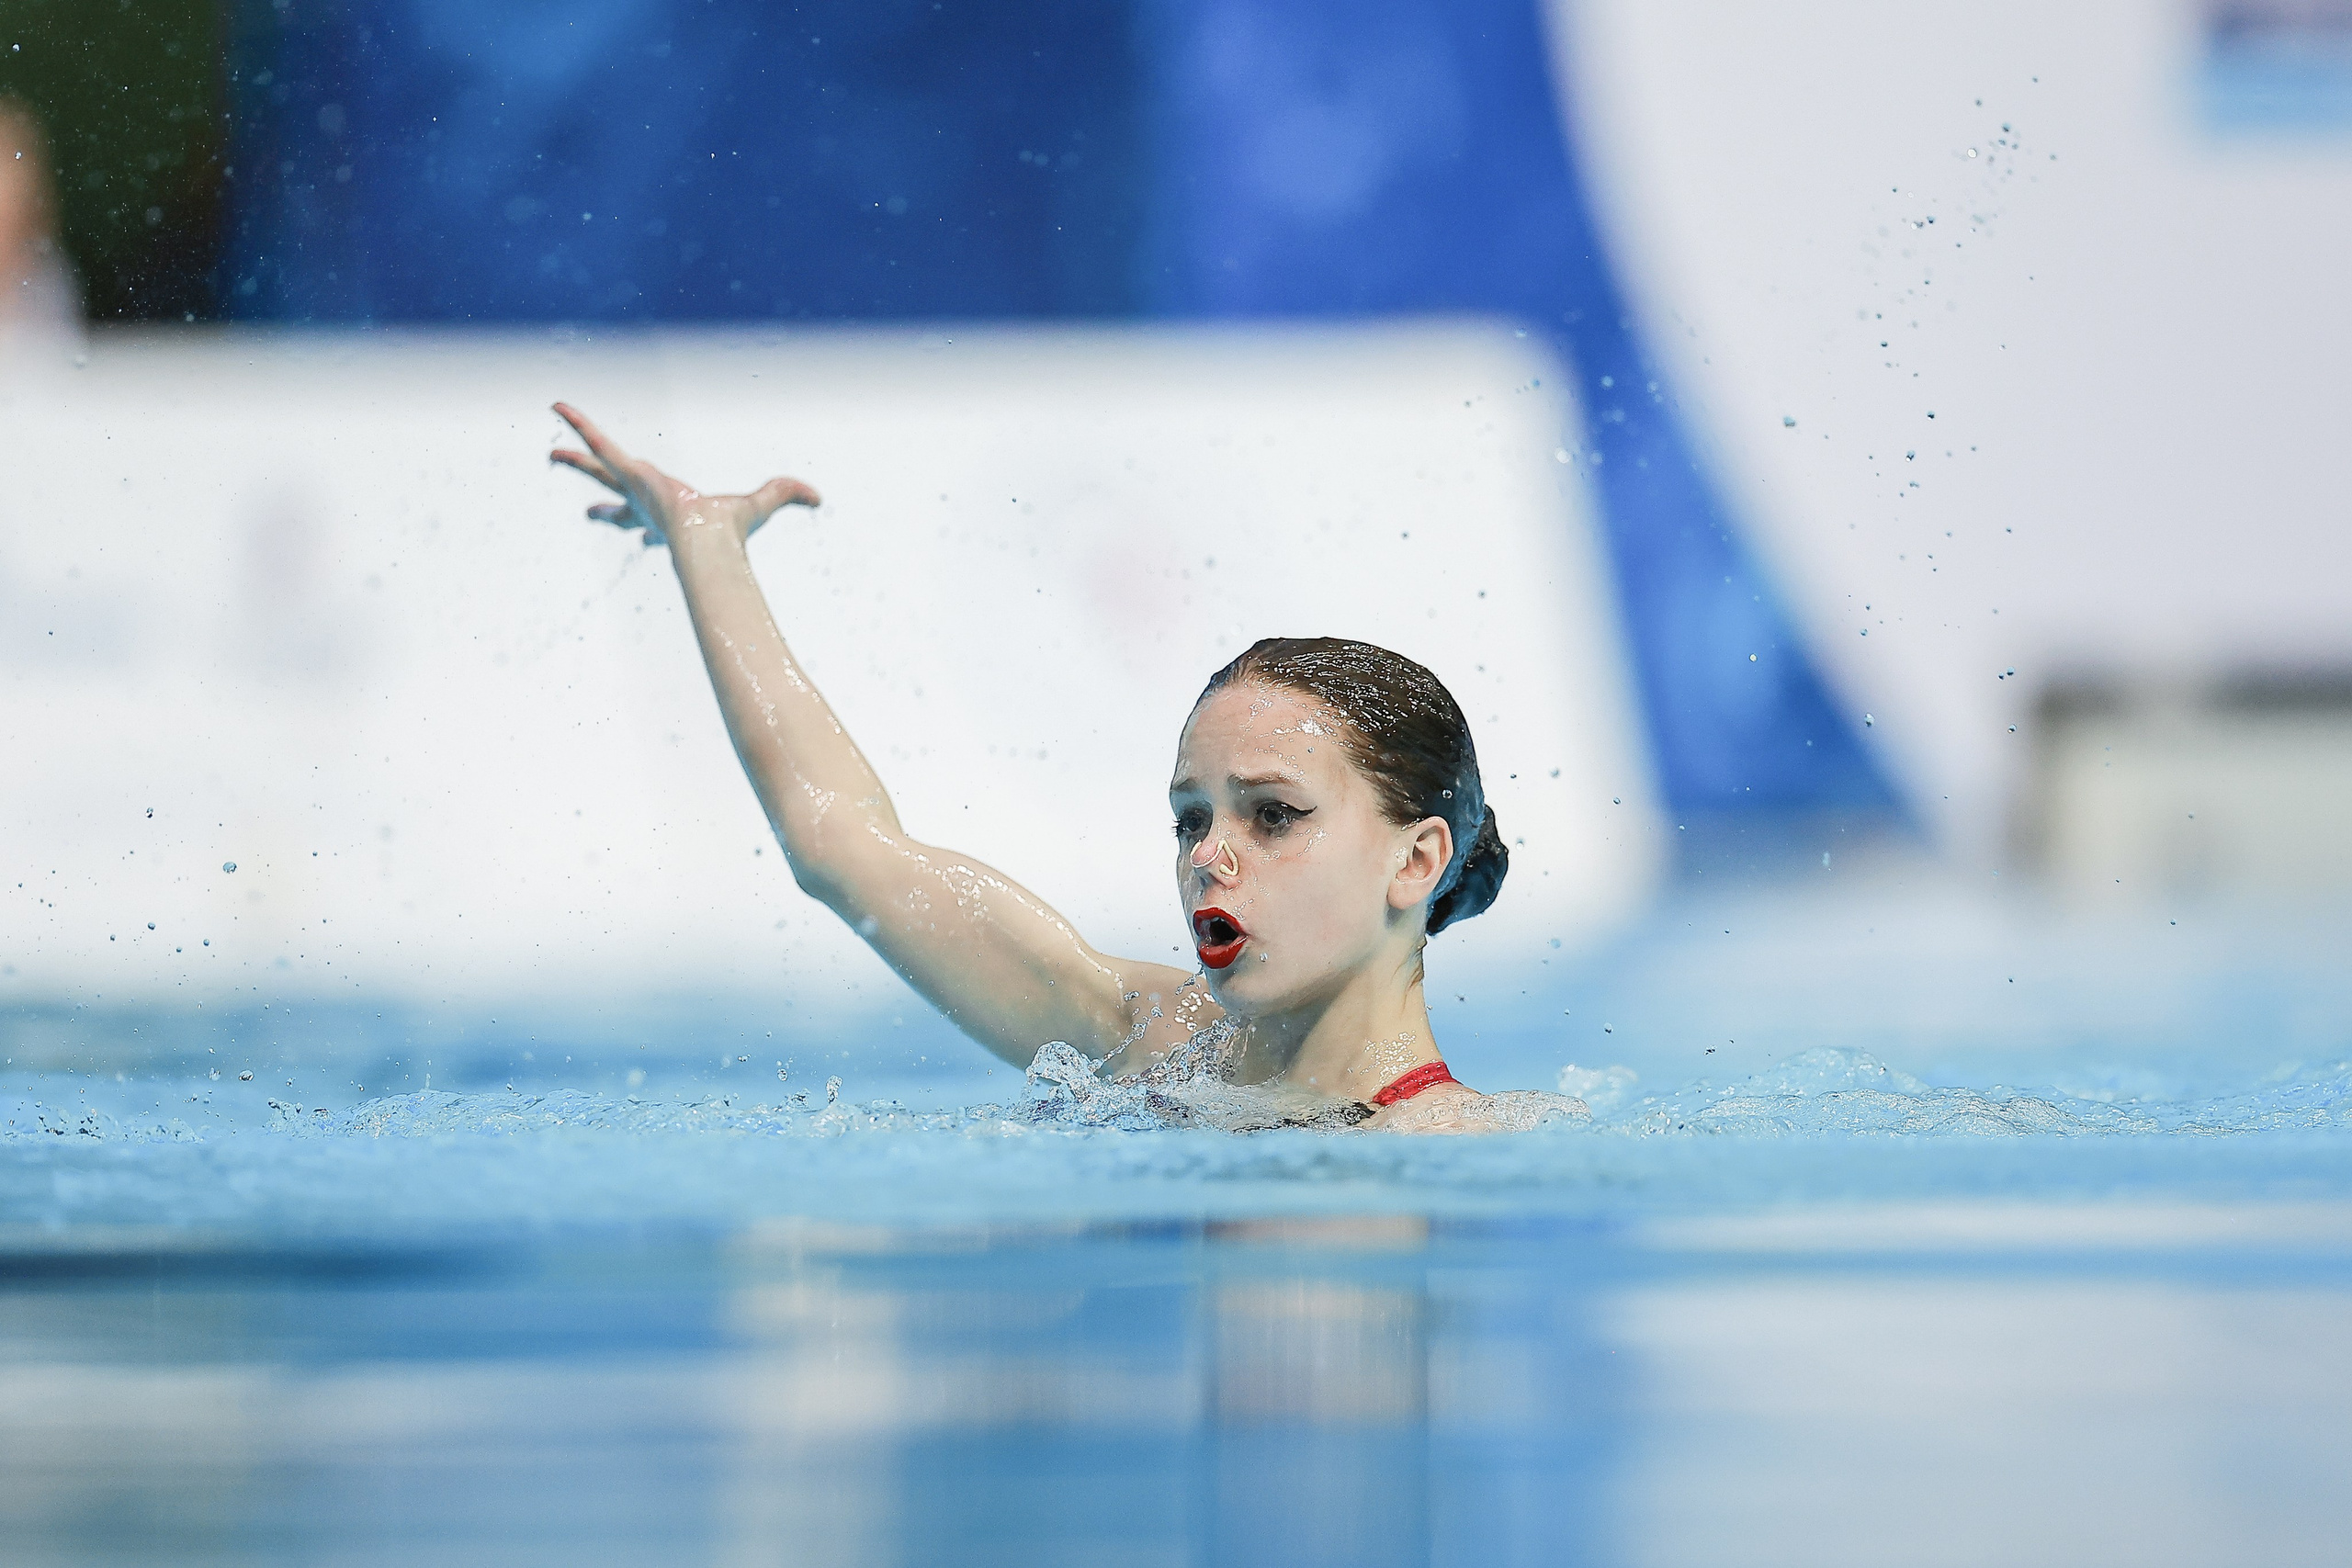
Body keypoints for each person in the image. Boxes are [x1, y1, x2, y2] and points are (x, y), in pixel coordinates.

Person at [550, 405, 1577, 1133]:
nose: (1210, 857)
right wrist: (706, 547)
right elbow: (843, 850)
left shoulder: (1467, 1148)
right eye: (1190, 819)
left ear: (1415, 861)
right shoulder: (1149, 1043)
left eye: (1273, 816)